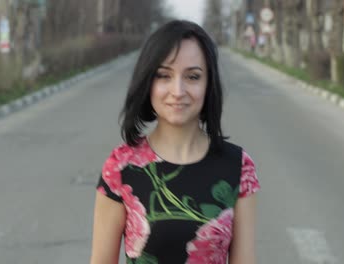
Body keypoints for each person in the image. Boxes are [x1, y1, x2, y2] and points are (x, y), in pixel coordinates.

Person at [90, 20, 260, 264]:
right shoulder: (121, 168)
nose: (178, 90)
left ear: (208, 84)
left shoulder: (239, 167)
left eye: (192, 76)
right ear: (148, 82)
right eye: (164, 75)